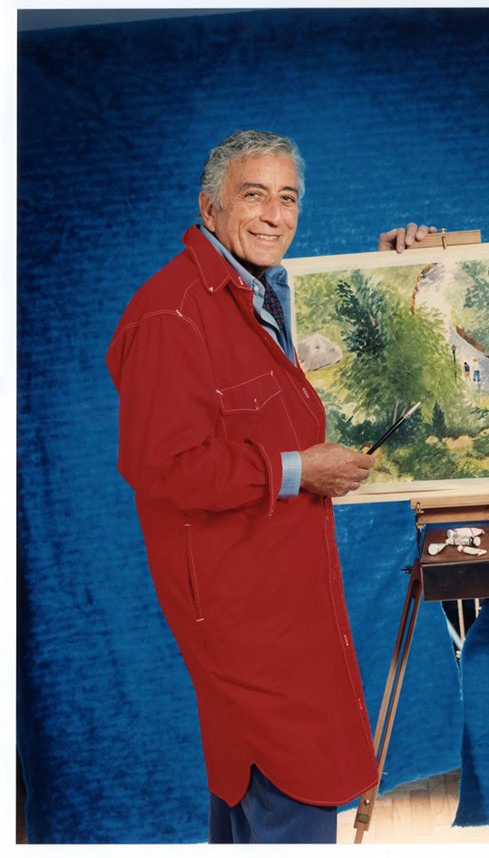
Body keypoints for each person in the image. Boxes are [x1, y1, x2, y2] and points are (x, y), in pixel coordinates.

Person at [106, 129, 434, 844]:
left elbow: (304, 381)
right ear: (210, 207)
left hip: (281, 589)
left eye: (288, 198)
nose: (274, 214)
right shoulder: (174, 312)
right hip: (238, 605)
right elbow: (164, 466)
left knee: (253, 796)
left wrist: (390, 275)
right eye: (253, 195)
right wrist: (298, 471)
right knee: (287, 780)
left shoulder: (257, 293)